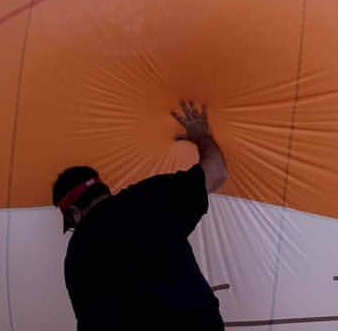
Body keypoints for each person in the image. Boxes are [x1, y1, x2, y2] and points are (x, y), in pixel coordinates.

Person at [52, 100, 228, 330]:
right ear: (104, 190)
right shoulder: (150, 196)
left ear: (74, 213)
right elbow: (217, 171)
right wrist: (201, 136)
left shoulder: (78, 253)